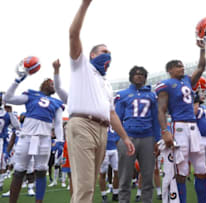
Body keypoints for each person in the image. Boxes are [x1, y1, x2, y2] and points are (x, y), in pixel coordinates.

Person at [66, 1, 135, 202]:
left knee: (88, 184)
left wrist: (125, 137)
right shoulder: (82, 66)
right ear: (92, 54)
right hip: (82, 124)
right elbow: (73, 34)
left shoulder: (106, 84)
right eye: (104, 51)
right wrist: (85, 5)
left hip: (102, 130)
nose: (108, 55)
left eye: (109, 52)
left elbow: (112, 113)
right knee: (85, 185)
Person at [156, 40, 206, 203]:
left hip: (194, 127)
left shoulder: (187, 80)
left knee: (201, 169)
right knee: (181, 171)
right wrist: (165, 131)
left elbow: (201, 67)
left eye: (182, 65)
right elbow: (161, 110)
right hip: (179, 127)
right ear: (170, 70)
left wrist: (202, 49)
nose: (182, 68)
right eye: (178, 66)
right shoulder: (166, 85)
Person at [5, 75, 64, 203]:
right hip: (27, 136)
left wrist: (60, 140)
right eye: (51, 83)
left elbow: (59, 123)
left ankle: (39, 201)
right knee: (19, 170)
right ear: (43, 84)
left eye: (54, 84)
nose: (53, 86)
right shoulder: (31, 94)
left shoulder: (57, 103)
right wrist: (16, 81)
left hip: (44, 138)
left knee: (42, 170)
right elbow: (8, 98)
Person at [115, 65, 160, 203]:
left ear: (145, 78)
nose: (139, 76)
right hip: (128, 138)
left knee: (147, 177)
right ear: (131, 77)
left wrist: (157, 140)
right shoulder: (122, 95)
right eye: (136, 73)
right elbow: (117, 118)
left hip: (147, 138)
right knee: (125, 177)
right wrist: (118, 139)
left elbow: (156, 119)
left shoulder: (152, 95)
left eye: (142, 74)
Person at [99, 126, 119, 203]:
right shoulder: (100, 118)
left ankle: (115, 194)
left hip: (114, 149)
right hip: (104, 149)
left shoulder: (114, 117)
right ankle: (104, 195)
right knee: (102, 173)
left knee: (117, 172)